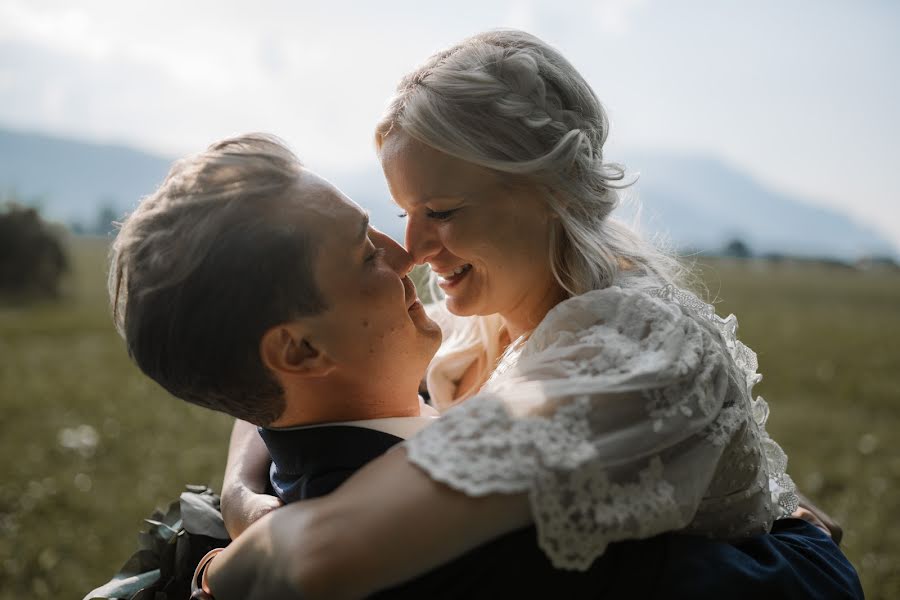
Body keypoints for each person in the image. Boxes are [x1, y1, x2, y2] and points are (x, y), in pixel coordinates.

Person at [210, 30, 862, 599]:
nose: (411, 247)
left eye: (441, 212)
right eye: (403, 209)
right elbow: (286, 377)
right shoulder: (481, 315)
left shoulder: (632, 344)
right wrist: (241, 489)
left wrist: (216, 571)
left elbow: (323, 553)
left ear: (549, 191)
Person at [99, 133, 688, 600]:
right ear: (301, 352)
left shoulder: (301, 429)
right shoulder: (437, 541)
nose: (407, 254)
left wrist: (237, 489)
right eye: (364, 253)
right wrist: (783, 521)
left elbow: (260, 406)